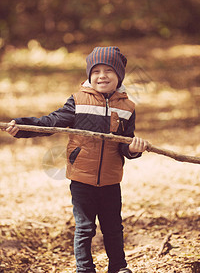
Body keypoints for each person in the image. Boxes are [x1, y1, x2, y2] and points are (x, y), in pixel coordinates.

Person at [4, 46, 148, 273]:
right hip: (81, 178)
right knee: (85, 228)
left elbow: (125, 145)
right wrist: (22, 127)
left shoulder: (127, 108)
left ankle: (119, 267)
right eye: (96, 71)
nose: (102, 76)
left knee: (113, 227)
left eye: (109, 70)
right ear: (89, 75)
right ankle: (85, 269)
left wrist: (133, 149)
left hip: (111, 179)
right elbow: (52, 122)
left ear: (119, 75)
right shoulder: (78, 101)